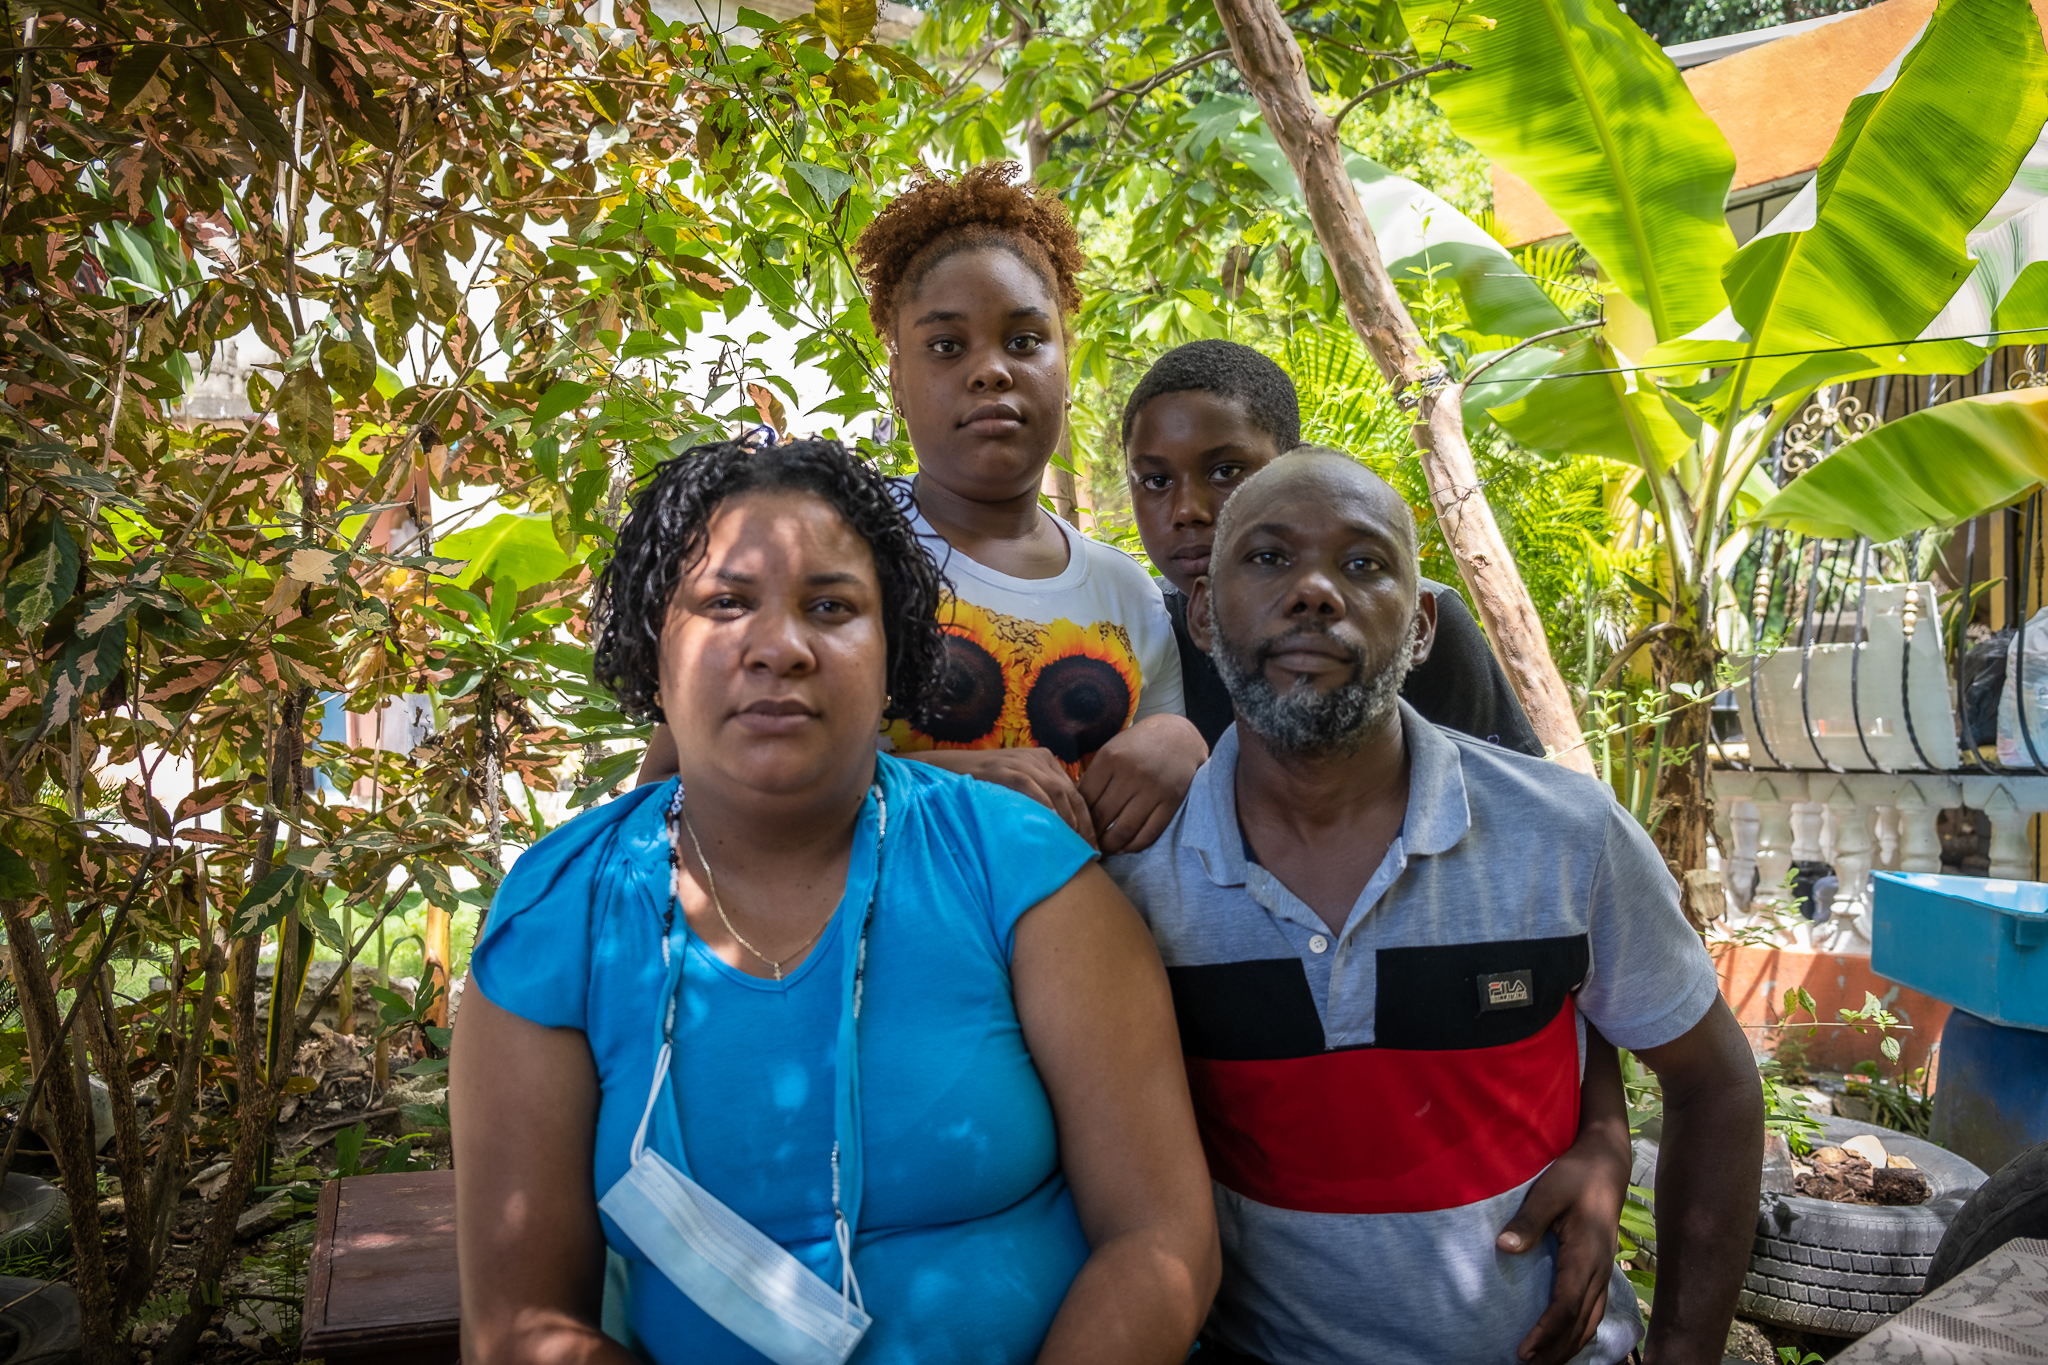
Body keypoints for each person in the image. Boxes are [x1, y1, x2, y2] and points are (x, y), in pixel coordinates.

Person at [453, 437, 1219, 1365]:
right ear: (654, 656)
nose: (779, 647)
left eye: (831, 606)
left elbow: (1161, 1238)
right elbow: (521, 1323)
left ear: (894, 651)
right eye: (726, 602)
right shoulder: (559, 914)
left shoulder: (1022, 873)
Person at [1109, 448, 1764, 1365]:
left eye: (1363, 563)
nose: (1314, 591)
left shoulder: (1567, 836)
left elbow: (1716, 1083)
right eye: (1266, 558)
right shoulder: (1138, 886)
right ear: (1205, 615)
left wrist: (1683, 1354)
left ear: (1420, 629)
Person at [640, 162, 1207, 856]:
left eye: (1025, 341)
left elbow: (1177, 841)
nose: (991, 370)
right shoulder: (826, 551)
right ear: (897, 380)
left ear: (1066, 368)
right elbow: (669, 788)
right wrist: (945, 781)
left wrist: (1181, 747)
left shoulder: (1126, 593)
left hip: (1081, 953)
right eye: (945, 345)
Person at [1122, 338, 1544, 755]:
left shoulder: (1399, 620)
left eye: (1226, 471)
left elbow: (1510, 800)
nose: (1187, 510)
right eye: (1157, 481)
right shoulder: (1128, 626)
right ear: (1200, 619)